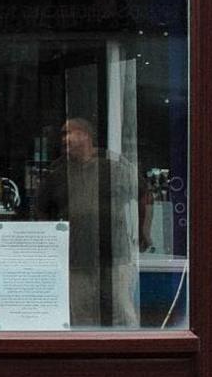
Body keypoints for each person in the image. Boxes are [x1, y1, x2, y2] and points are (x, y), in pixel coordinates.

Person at [37, 116, 140, 327]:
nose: (64, 139)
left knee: (122, 312)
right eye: (63, 134)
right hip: (76, 258)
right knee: (82, 317)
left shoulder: (113, 168)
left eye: (69, 133)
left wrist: (144, 233)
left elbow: (144, 196)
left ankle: (132, 355)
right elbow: (41, 211)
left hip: (115, 256)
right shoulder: (58, 173)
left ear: (85, 135)